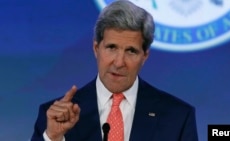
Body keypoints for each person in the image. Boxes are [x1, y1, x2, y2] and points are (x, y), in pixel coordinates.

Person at [31, 0, 198, 141]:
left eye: (131, 51)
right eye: (111, 48)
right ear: (96, 48)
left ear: (145, 56)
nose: (119, 63)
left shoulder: (178, 117)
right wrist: (53, 137)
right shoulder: (52, 117)